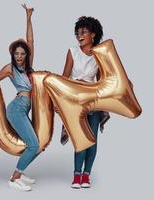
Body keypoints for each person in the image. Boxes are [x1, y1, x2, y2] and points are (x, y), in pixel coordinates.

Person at [0, 4, 38, 191]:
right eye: (17, 53)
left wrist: (28, 18)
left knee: (37, 144)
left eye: (22, 53)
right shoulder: (10, 68)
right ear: (12, 54)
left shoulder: (28, 67)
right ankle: (14, 179)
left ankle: (21, 171)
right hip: (17, 108)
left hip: (25, 106)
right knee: (34, 144)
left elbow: (30, 39)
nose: (20, 56)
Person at [60, 16, 106, 189]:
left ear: (93, 35)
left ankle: (86, 175)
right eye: (78, 32)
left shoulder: (100, 55)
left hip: (92, 100)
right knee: (80, 139)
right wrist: (60, 99)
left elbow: (103, 81)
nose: (80, 35)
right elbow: (64, 78)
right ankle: (76, 174)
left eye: (84, 32)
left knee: (92, 139)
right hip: (74, 100)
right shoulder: (72, 51)